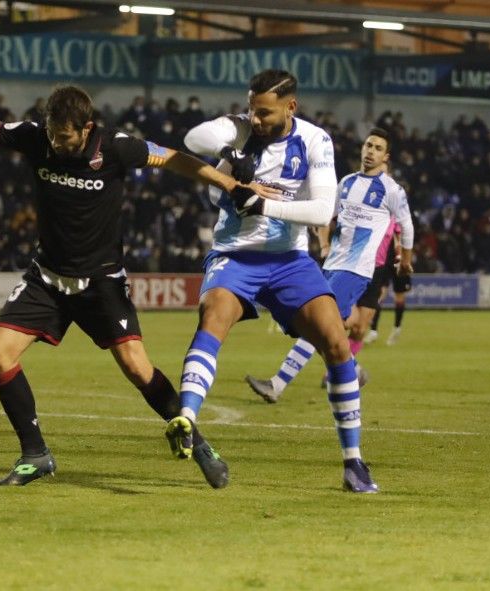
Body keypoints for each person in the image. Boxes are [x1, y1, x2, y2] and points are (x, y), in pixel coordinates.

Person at [0, 84, 273, 487]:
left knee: (138, 369)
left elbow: (175, 160)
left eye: (64, 136)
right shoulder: (38, 138)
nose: (56, 142)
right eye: (52, 133)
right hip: (47, 278)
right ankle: (35, 454)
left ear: (86, 128)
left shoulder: (119, 148)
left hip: (101, 282)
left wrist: (229, 185)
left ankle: (201, 445)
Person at [167, 69, 379, 493]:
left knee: (336, 342)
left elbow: (321, 211)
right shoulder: (242, 130)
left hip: (289, 261)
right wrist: (233, 151)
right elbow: (193, 139)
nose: (256, 118)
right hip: (234, 256)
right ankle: (186, 420)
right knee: (214, 315)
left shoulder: (315, 140)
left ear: (291, 107)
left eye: (265, 112)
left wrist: (261, 205)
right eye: (252, 109)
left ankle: (353, 462)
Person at [244, 128, 414, 403]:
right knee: (323, 328)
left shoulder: (392, 190)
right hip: (332, 265)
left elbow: (406, 226)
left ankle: (277, 384)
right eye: (368, 145)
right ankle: (354, 370)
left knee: (318, 325)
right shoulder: (345, 183)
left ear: (386, 156)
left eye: (378, 148)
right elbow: (325, 216)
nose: (370, 151)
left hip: (356, 269)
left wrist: (404, 261)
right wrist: (324, 245)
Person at [364, 226, 413, 346]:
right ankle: (373, 330)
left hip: (399, 259)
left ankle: (396, 328)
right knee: (380, 293)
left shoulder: (402, 214)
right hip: (385, 257)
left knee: (399, 296)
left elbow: (407, 234)